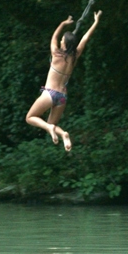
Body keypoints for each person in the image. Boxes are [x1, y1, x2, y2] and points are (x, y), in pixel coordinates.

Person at [25, 11, 101, 150]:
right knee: (51, 125)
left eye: (62, 40)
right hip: (62, 97)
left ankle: (50, 128)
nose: (60, 41)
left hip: (50, 93)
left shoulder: (56, 54)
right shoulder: (74, 57)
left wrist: (63, 24)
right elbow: (85, 38)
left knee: (30, 118)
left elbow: (53, 38)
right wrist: (95, 22)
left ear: (64, 43)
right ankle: (64, 134)